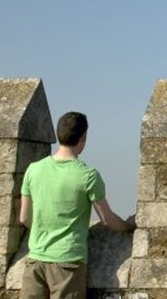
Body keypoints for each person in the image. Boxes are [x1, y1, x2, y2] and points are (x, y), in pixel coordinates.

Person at [18, 111, 135, 299]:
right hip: (68, 262)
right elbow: (108, 220)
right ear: (83, 138)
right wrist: (130, 226)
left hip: (36, 261)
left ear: (58, 134)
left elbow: (24, 218)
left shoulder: (34, 169)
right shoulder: (88, 176)